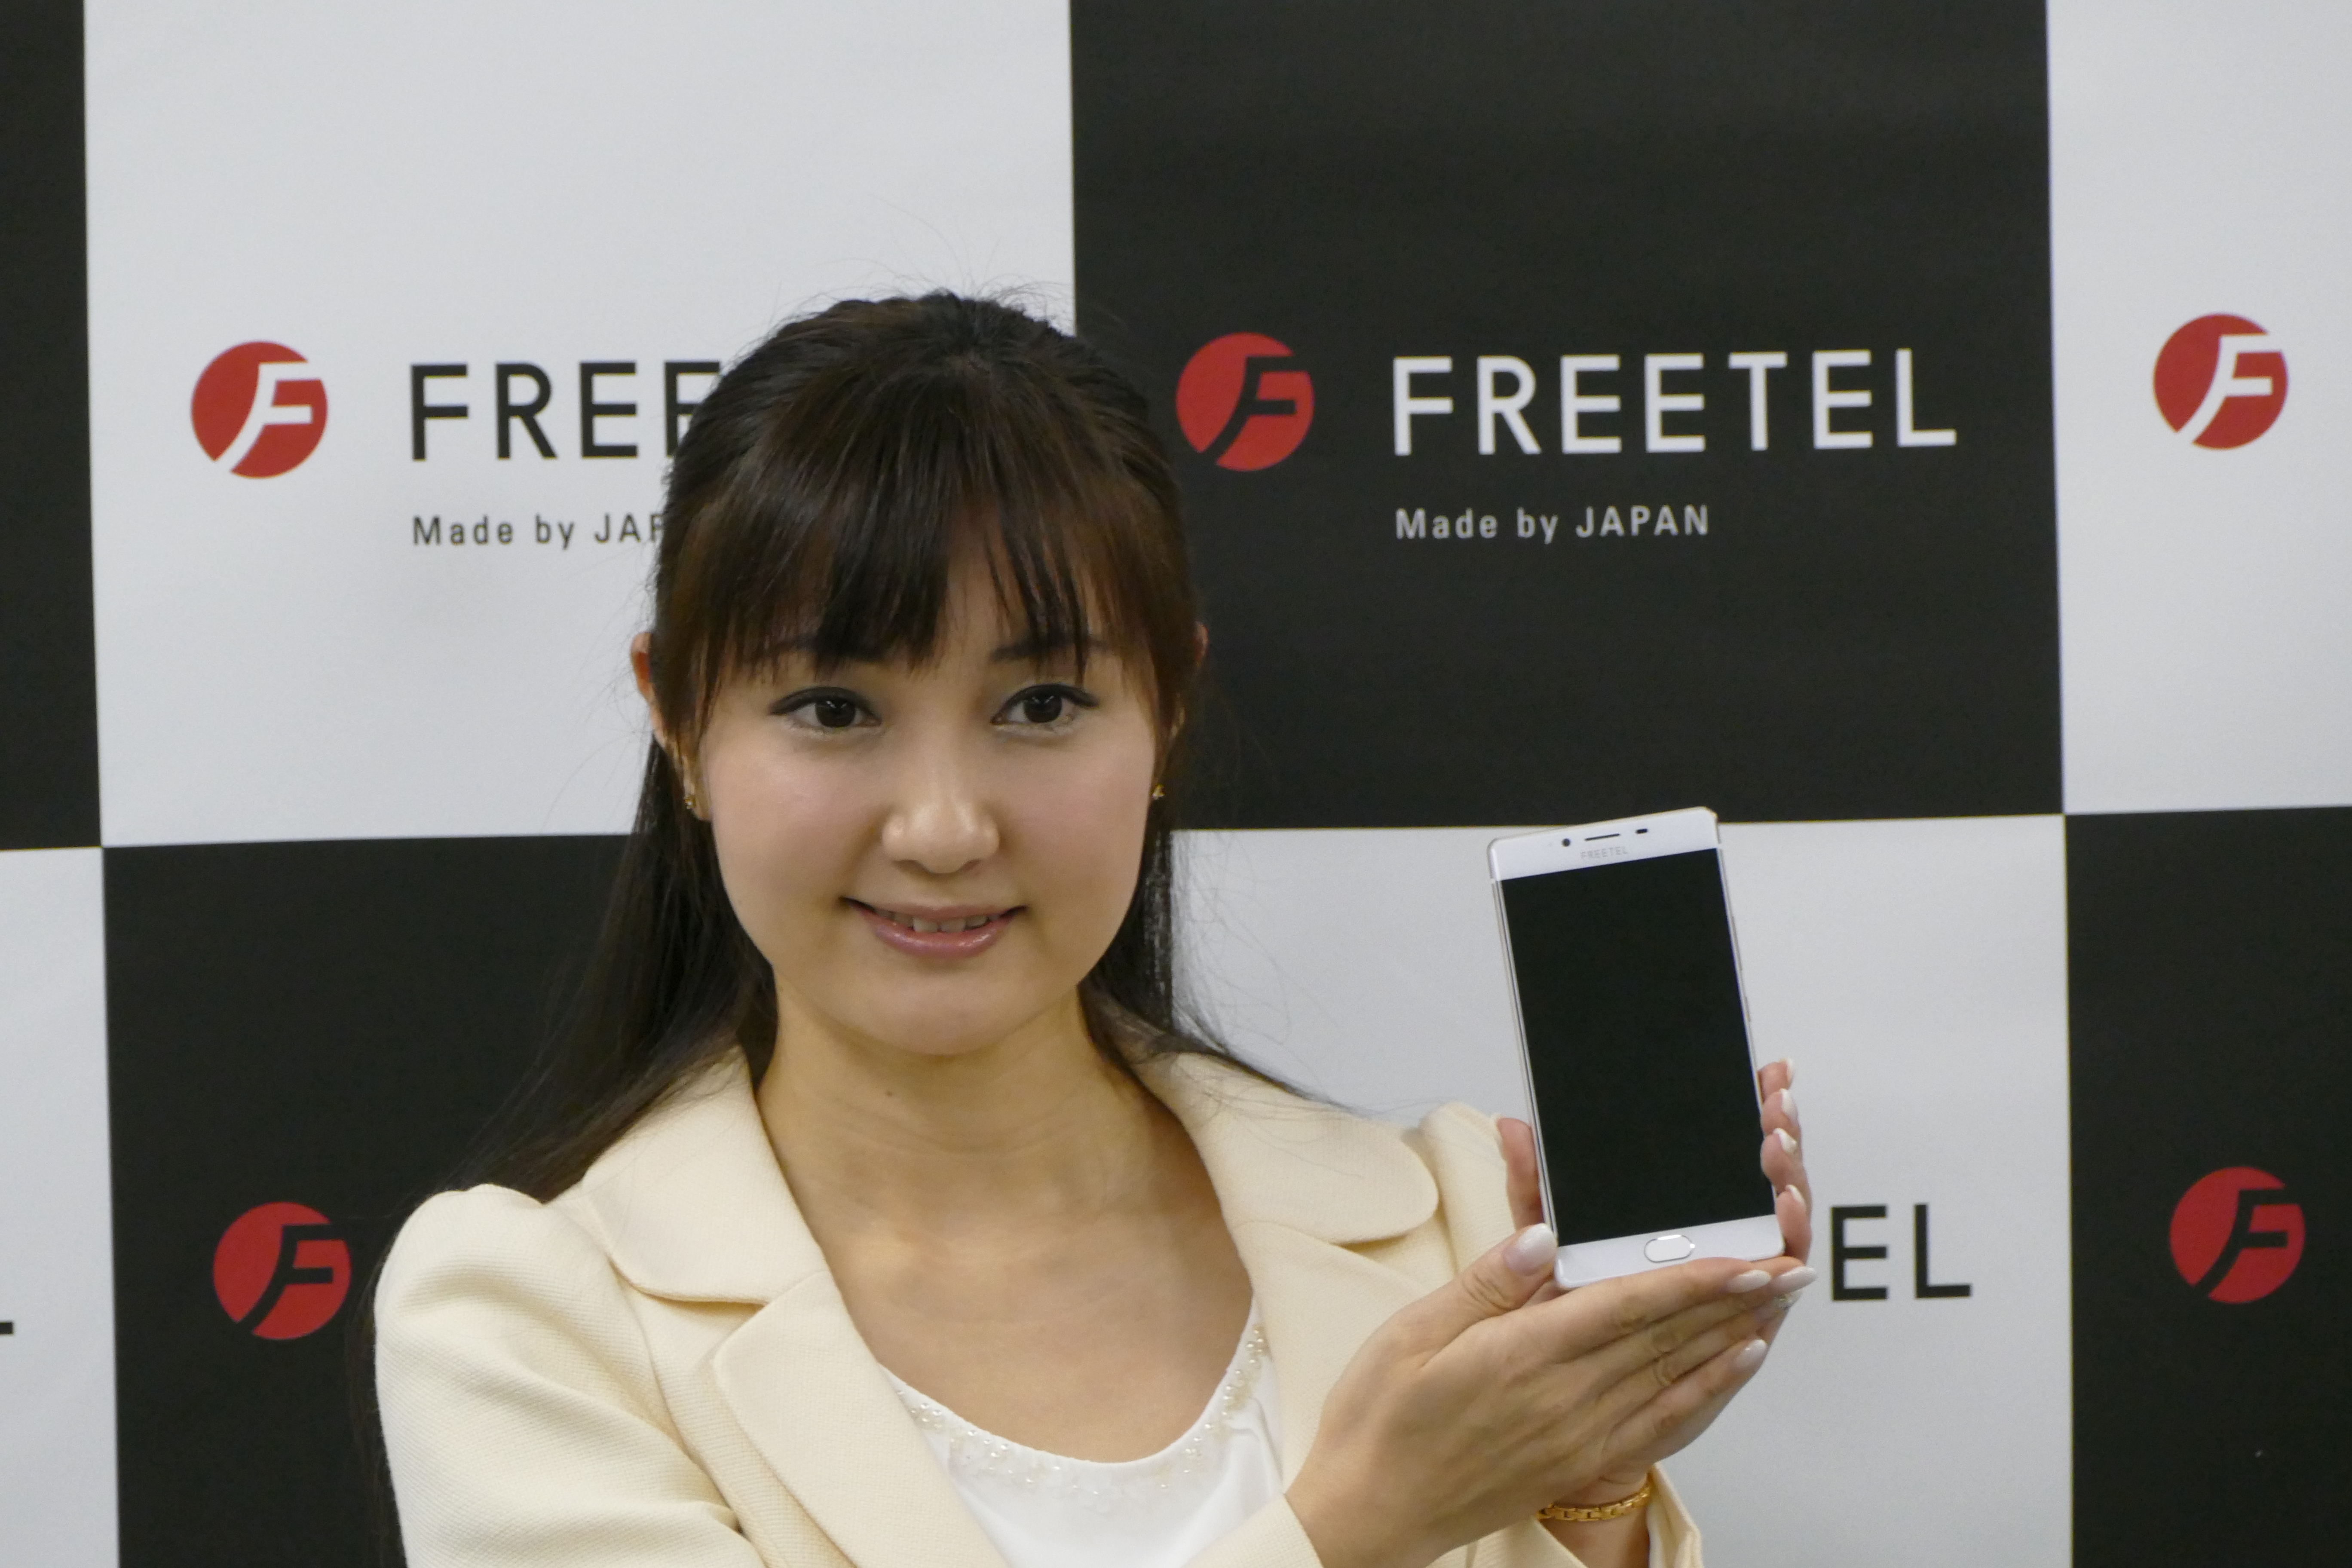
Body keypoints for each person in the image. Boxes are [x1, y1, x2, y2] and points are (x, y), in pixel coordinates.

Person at [373, 293, 1815, 1568]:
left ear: (1167, 708)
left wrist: (1593, 1483)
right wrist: (1358, 1530)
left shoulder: (1455, 1228)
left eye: (1042, 706)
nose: (944, 827)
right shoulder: (530, 1321)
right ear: (680, 722)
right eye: (834, 709)